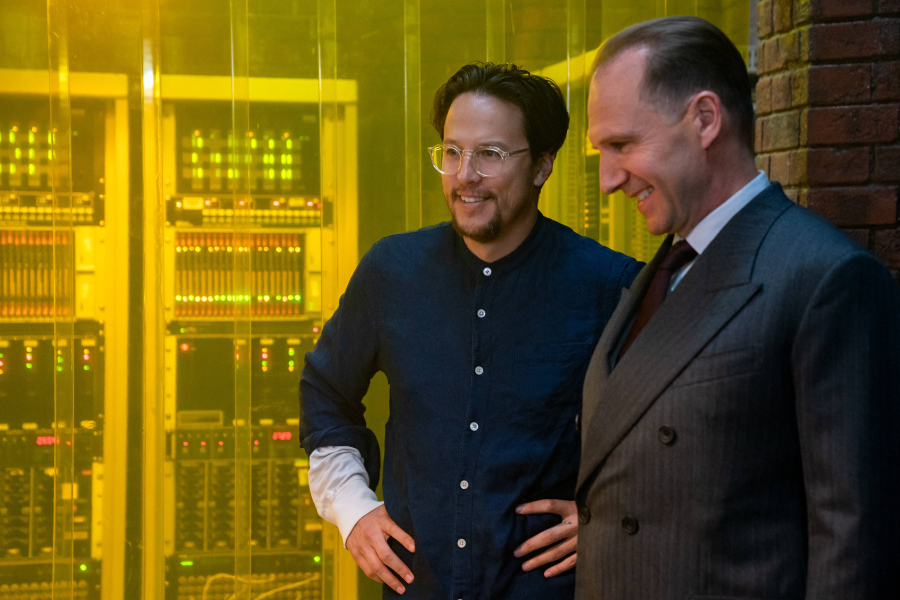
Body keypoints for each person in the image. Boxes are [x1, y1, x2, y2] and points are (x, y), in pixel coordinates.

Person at [576, 15, 900, 600]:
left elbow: (852, 540)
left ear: (705, 119)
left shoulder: (826, 278)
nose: (607, 180)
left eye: (622, 145)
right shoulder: (664, 268)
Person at [301, 62, 641, 599]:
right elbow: (325, 394)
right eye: (452, 152)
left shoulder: (610, 284)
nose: (465, 175)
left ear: (542, 165)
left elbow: (679, 428)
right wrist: (354, 510)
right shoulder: (391, 272)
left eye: (491, 154)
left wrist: (617, 514)